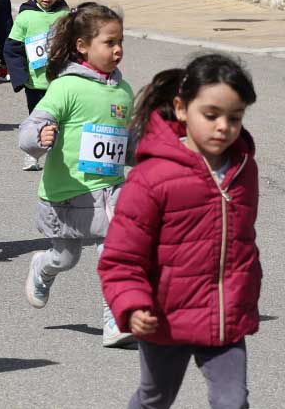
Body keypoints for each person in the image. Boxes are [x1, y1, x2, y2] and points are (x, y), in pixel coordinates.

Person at [99, 54, 259, 409]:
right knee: (155, 398)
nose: (223, 128)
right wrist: (132, 304)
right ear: (181, 108)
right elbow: (121, 257)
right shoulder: (152, 177)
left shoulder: (244, 168)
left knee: (233, 401)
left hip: (223, 316)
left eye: (235, 118)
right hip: (164, 318)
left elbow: (242, 240)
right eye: (211, 115)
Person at [17, 2, 135, 348]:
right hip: (67, 193)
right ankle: (43, 267)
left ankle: (116, 321)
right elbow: (31, 128)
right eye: (109, 42)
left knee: (115, 251)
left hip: (110, 191)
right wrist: (39, 139)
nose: (118, 50)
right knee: (66, 257)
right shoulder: (66, 87)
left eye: (121, 41)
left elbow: (127, 143)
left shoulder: (123, 91)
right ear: (82, 46)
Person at [3, 0, 69, 171]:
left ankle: (58, 154)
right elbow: (13, 48)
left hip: (59, 81)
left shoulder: (65, 16)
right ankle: (32, 154)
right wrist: (20, 77)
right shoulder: (25, 17)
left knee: (60, 119)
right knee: (37, 118)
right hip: (35, 82)